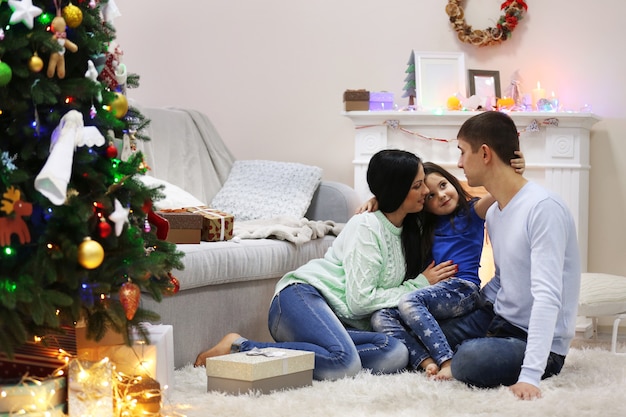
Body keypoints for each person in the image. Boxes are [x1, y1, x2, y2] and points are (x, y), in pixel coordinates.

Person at [194, 149, 457, 380]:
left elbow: (464, 207)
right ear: (397, 191)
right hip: (301, 298)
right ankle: (239, 347)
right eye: (417, 186)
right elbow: (360, 302)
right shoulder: (366, 226)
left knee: (395, 353)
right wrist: (419, 284)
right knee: (344, 364)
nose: (426, 192)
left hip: (339, 323)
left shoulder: (412, 227)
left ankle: (314, 351)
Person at [443, 110, 581, 400]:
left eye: (462, 152)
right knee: (431, 331)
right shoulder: (494, 213)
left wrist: (531, 376)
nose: (458, 163)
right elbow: (502, 280)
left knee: (469, 359)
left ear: (484, 154)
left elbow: (547, 296)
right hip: (499, 320)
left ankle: (463, 359)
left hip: (538, 343)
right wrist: (466, 307)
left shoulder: (543, 208)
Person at [361, 156, 524, 379]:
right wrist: (377, 200)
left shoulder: (472, 212)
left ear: (452, 181)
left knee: (409, 301)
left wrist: (514, 172)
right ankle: (425, 361)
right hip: (434, 294)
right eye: (430, 196)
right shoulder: (421, 225)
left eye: (443, 185)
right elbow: (400, 199)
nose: (442, 195)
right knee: (380, 317)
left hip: (463, 289)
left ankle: (446, 360)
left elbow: (500, 191)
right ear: (423, 204)